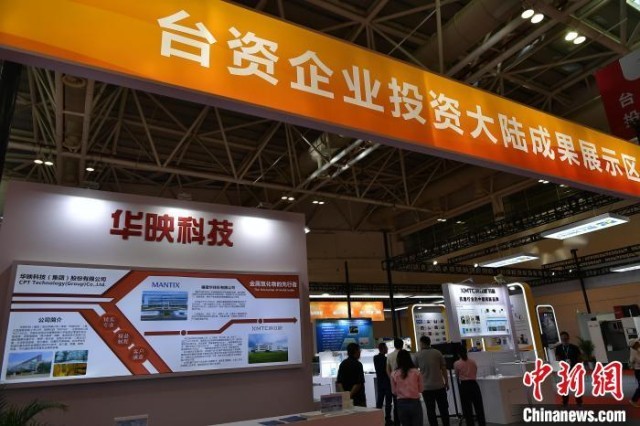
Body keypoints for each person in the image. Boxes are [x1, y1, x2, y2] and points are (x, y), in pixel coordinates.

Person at [415, 335, 449, 426]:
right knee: (444, 409)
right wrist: (446, 382)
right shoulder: (437, 353)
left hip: (426, 388)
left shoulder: (418, 355)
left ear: (422, 343)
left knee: (430, 410)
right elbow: (443, 368)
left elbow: (414, 370)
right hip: (440, 386)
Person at [454, 345, 486, 426]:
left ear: (458, 354)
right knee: (479, 407)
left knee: (467, 409)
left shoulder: (457, 363)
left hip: (464, 386)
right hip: (474, 385)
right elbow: (475, 372)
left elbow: (457, 376)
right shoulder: (473, 362)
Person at [390, 350, 424, 426]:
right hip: (415, 403)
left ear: (398, 360)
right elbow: (421, 389)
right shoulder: (416, 372)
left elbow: (394, 391)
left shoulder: (394, 374)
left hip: (401, 404)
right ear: (409, 359)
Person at [555, 331, 583, 406]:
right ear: (561, 339)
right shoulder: (558, 348)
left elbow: (580, 358)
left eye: (566, 338)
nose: (564, 340)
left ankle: (579, 402)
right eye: (562, 339)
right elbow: (557, 359)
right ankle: (565, 402)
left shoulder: (574, 347)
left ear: (568, 338)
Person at [336, 342, 366, 407]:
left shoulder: (343, 364)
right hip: (358, 399)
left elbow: (339, 382)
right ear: (356, 351)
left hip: (346, 400)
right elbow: (358, 383)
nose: (360, 353)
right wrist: (350, 395)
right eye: (359, 350)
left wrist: (345, 395)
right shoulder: (358, 365)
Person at [374, 342, 393, 425]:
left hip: (380, 382)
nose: (387, 349)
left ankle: (377, 419)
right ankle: (388, 419)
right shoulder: (386, 359)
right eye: (386, 347)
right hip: (387, 383)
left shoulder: (375, 358)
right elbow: (388, 370)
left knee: (379, 402)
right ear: (383, 348)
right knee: (388, 402)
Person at [387, 338, 404, 423]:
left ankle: (397, 422)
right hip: (405, 381)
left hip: (395, 382)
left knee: (396, 403)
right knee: (406, 402)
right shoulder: (405, 354)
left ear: (394, 345)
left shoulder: (389, 355)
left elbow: (388, 369)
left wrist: (391, 379)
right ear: (402, 345)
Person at [629, 338, 640, 408]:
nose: (638, 342)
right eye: (637, 342)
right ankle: (633, 400)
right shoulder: (633, 354)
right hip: (638, 372)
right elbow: (631, 362)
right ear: (634, 345)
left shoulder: (637, 349)